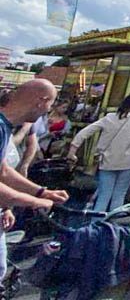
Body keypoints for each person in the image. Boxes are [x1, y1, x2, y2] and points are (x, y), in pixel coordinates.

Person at [0, 80, 69, 283]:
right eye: (51, 104)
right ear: (41, 101)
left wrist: (41, 192)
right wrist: (35, 202)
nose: (49, 110)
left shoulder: (5, 126)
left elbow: (3, 171)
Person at [67, 94, 130, 212]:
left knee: (104, 195)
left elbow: (85, 132)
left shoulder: (109, 117)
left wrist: (73, 150)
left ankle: (95, 223)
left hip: (108, 160)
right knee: (119, 194)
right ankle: (113, 223)